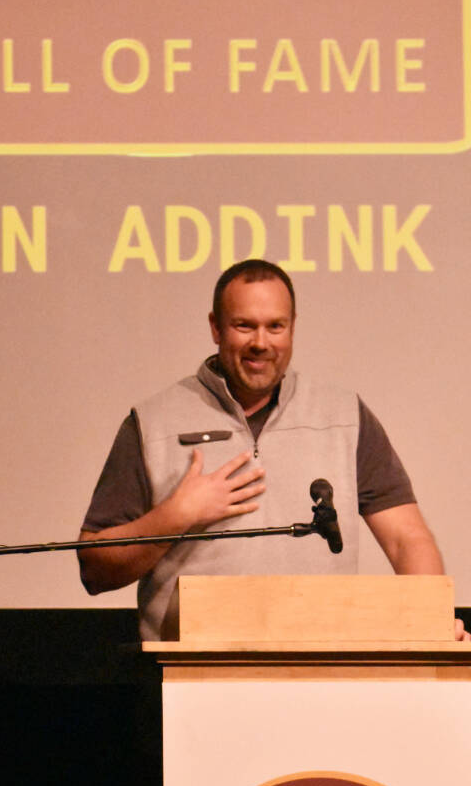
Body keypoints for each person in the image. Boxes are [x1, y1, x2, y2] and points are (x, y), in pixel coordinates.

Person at [78, 259, 467, 641]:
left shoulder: (343, 415)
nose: (260, 343)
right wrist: (174, 518)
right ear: (216, 328)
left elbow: (406, 540)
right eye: (244, 325)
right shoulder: (152, 422)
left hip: (323, 672)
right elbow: (94, 567)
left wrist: (431, 618)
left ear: (292, 329)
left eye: (275, 327)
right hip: (190, 686)